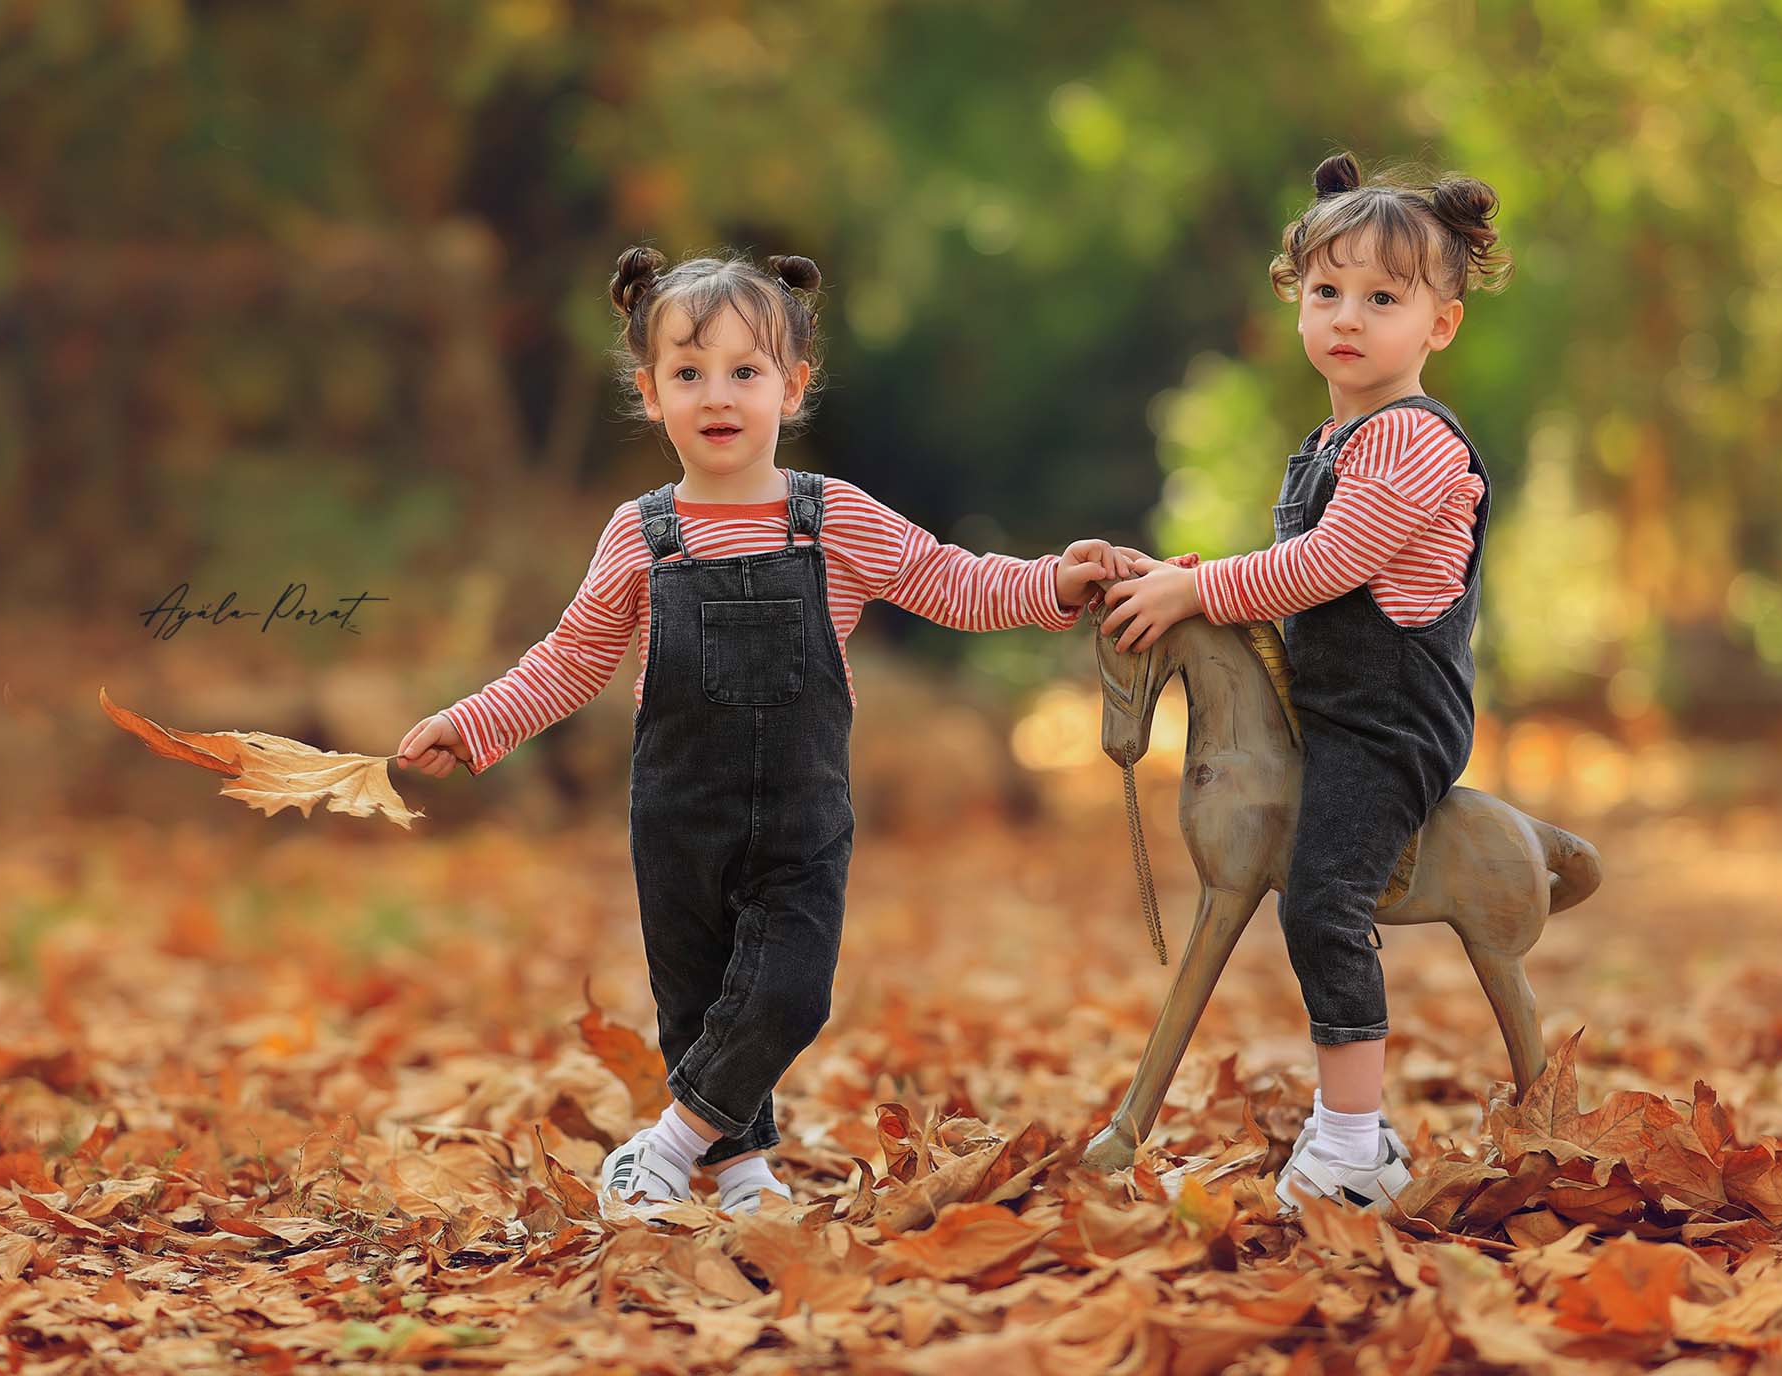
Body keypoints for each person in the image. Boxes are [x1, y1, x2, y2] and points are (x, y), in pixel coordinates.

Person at [396, 247, 1115, 1214]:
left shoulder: (831, 519)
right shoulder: (641, 534)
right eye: (688, 374)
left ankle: (660, 1148)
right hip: (677, 816)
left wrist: (1054, 582)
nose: (718, 394)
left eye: (745, 371)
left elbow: (951, 580)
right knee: (698, 1005)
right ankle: (739, 1170)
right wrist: (469, 725)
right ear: (650, 394)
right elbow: (568, 660)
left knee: (787, 993)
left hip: (800, 816)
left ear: (794, 385)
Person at [1091, 151, 1512, 1214]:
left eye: (1381, 299)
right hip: (1322, 703)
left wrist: (1203, 595)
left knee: (1323, 900)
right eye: (1326, 292)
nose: (1347, 318)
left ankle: (1353, 1142)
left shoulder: (1412, 441)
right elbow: (1287, 578)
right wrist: (1196, 579)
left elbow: (1323, 567)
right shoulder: (1329, 440)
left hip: (1386, 722)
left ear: (1438, 327)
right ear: (1295, 302)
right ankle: (1345, 1132)